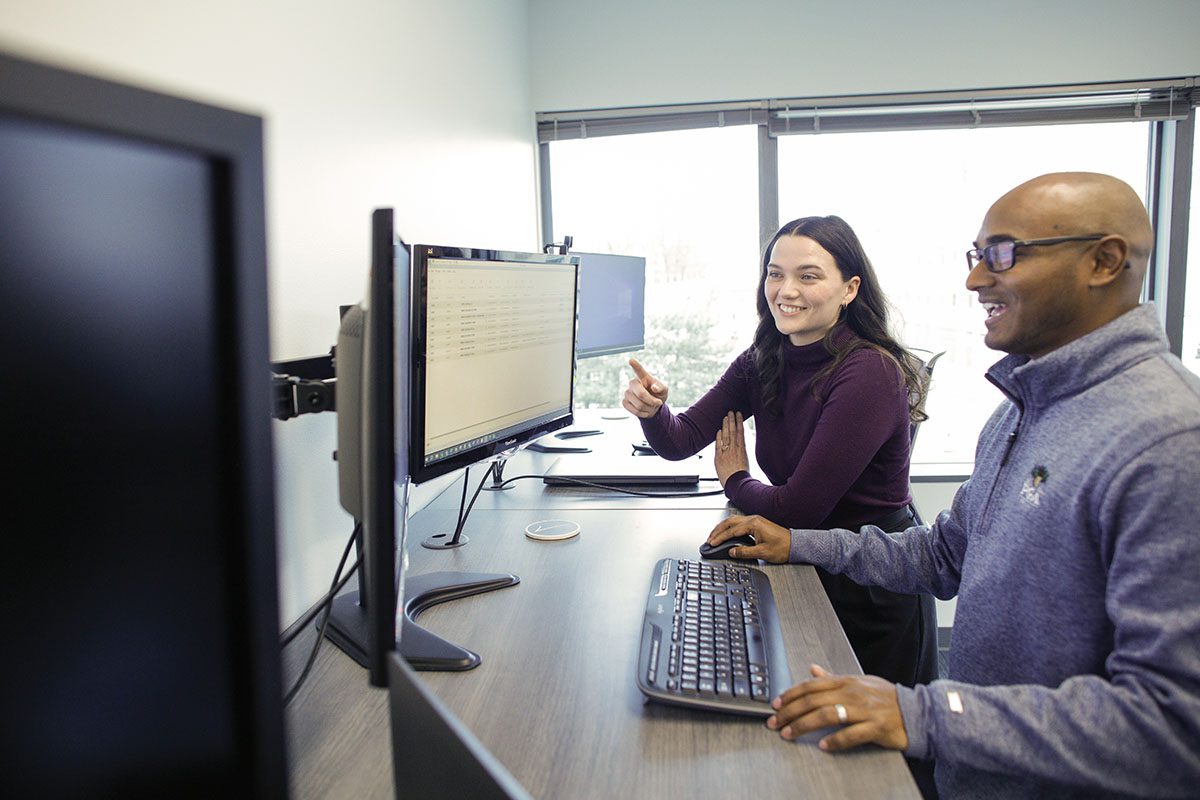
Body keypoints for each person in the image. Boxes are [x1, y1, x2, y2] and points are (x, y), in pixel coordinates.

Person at [707, 173, 1200, 798]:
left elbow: (1172, 722)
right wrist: (797, 544)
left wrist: (924, 713)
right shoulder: (1022, 409)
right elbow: (943, 555)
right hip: (976, 771)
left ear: (1103, 261)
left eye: (1002, 255)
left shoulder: (1169, 439)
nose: (975, 280)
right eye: (977, 256)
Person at [622, 216, 938, 692]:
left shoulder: (869, 371)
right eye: (775, 273)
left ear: (849, 288)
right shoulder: (764, 357)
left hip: (869, 580)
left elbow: (798, 510)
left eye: (808, 276)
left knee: (881, 758)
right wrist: (653, 411)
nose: (785, 290)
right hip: (804, 561)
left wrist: (735, 479)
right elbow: (681, 439)